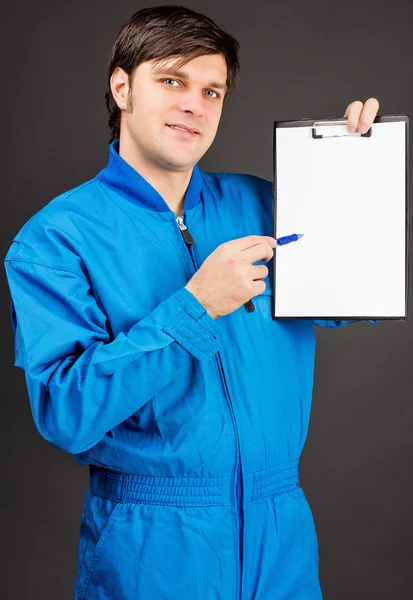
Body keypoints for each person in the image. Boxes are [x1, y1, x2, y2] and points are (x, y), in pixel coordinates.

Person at [4, 5, 380, 599]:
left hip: (281, 538)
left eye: (212, 91)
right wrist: (194, 306)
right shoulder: (57, 240)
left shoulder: (266, 207)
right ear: (122, 87)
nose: (194, 106)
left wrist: (352, 172)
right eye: (173, 81)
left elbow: (353, 290)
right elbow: (66, 413)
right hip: (152, 546)